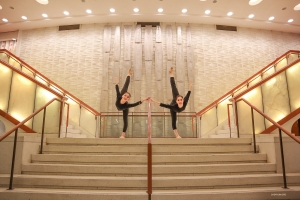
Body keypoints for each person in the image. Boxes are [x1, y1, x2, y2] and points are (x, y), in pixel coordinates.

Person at [150, 67, 192, 138]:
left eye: (181, 100)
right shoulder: (173, 106)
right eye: (178, 100)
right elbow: (163, 105)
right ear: (176, 101)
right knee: (174, 120)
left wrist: (190, 86)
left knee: (174, 88)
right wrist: (153, 101)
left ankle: (171, 74)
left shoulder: (184, 101)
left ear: (182, 100)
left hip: (176, 98)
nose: (180, 101)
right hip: (173, 109)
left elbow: (189, 93)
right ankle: (177, 135)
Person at [114, 68, 149, 138]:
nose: (125, 97)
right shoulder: (119, 96)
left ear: (128, 99)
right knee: (125, 88)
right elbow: (119, 87)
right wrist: (128, 75)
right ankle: (129, 75)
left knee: (125, 120)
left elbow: (135, 104)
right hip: (119, 105)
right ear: (123, 95)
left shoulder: (126, 106)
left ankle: (123, 135)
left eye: (127, 97)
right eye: (125, 95)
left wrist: (144, 100)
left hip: (123, 109)